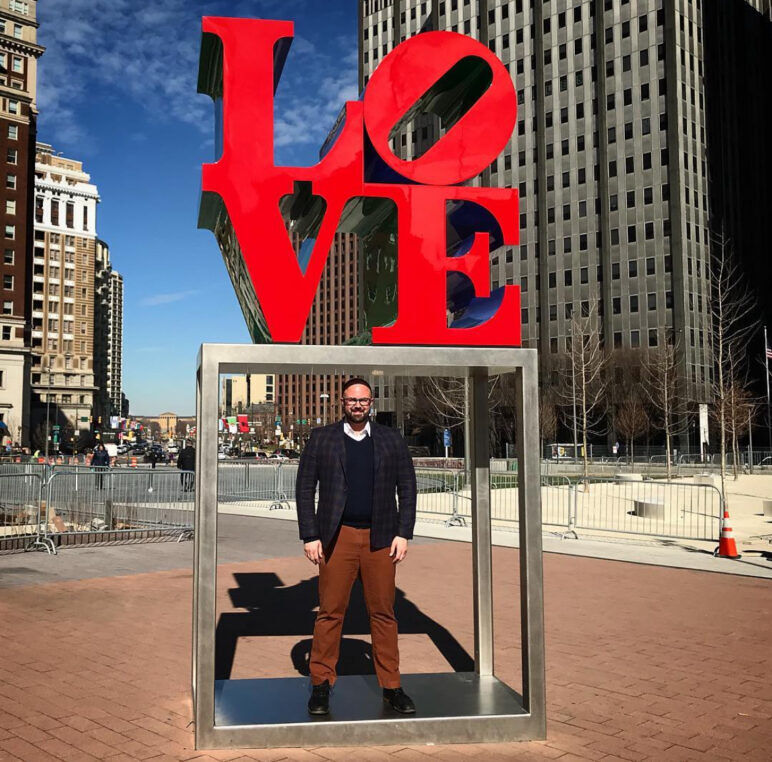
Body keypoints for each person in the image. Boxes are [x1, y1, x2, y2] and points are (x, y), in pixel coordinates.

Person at [296, 377, 417, 717]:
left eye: (363, 400)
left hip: (381, 538)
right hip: (338, 538)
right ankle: (320, 685)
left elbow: (407, 487)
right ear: (343, 402)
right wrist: (310, 534)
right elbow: (305, 488)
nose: (358, 405)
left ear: (372, 402)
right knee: (330, 612)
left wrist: (403, 532)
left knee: (383, 614)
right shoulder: (322, 439)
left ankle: (392, 687)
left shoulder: (391, 440)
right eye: (352, 400)